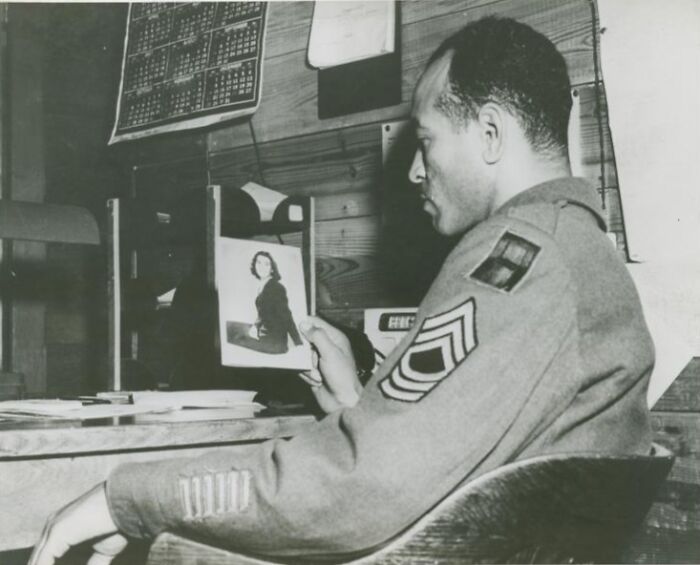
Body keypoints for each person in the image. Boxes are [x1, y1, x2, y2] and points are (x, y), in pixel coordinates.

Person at [30, 16, 654, 565]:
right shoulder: (577, 250)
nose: (414, 168)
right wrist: (358, 408)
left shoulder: (520, 256)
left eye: (427, 138)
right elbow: (470, 459)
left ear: (490, 134)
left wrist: (129, 496)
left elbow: (363, 490)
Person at [226, 251, 304, 355]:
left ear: (272, 269)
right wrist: (256, 327)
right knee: (231, 326)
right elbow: (265, 314)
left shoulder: (276, 288)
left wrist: (298, 342)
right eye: (258, 262)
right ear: (254, 265)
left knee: (235, 336)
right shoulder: (264, 285)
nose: (261, 267)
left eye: (266, 264)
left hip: (275, 343)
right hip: (264, 332)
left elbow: (286, 315)